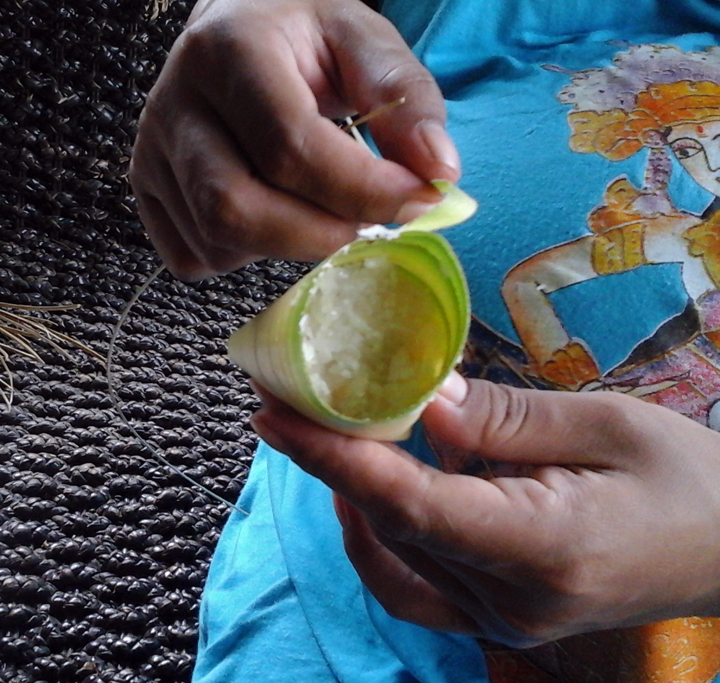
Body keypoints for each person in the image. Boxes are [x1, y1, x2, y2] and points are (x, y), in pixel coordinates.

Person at [129, 0, 720, 681]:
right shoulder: (672, 236)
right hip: (358, 555)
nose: (703, 159)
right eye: (686, 147)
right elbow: (531, 284)